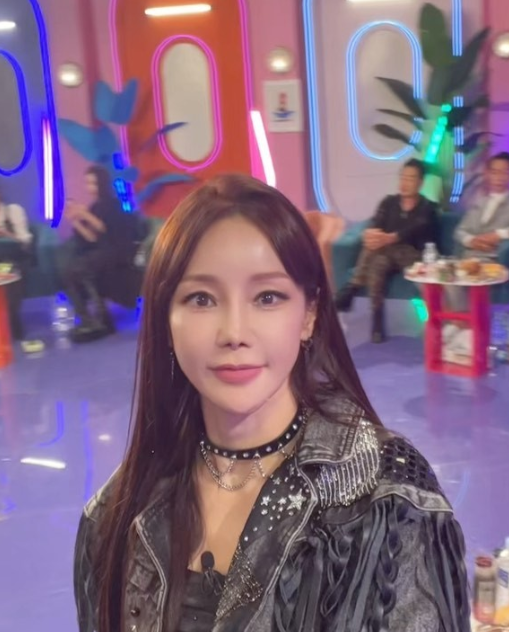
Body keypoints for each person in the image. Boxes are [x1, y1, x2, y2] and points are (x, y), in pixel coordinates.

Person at [74, 174, 468, 632]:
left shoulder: (388, 498)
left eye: (267, 297)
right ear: (165, 319)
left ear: (309, 314)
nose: (234, 333)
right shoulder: (116, 514)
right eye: (201, 299)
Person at [334, 159, 439, 342]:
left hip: (414, 256)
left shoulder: (428, 207)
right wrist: (371, 235)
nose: (404, 183)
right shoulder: (388, 202)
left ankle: (352, 287)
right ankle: (377, 321)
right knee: (378, 262)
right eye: (402, 177)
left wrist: (390, 238)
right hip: (386, 254)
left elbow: (416, 229)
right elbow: (377, 224)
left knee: (381, 250)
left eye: (410, 178)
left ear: (420, 182)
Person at [60, 165, 138, 343]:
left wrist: (84, 214)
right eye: (88, 183)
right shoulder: (94, 207)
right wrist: (75, 221)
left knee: (82, 269)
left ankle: (102, 318)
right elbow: (92, 237)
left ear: (102, 183)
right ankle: (87, 319)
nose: (90, 187)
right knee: (69, 272)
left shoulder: (112, 204)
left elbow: (103, 227)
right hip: (100, 252)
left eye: (93, 183)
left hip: (116, 251)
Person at [444, 151, 509, 356]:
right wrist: (473, 240)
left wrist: (497, 235)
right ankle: (464, 327)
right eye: (495, 172)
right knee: (444, 279)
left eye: (504, 172)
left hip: (492, 261)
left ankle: (466, 332)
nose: (499, 177)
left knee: (462, 278)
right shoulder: (479, 202)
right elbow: (459, 231)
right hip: (468, 258)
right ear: (487, 174)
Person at [0, 187, 33, 342]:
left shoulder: (13, 211)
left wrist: (7, 234)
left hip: (14, 259)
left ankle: (12, 322)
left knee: (8, 271)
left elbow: (25, 241)